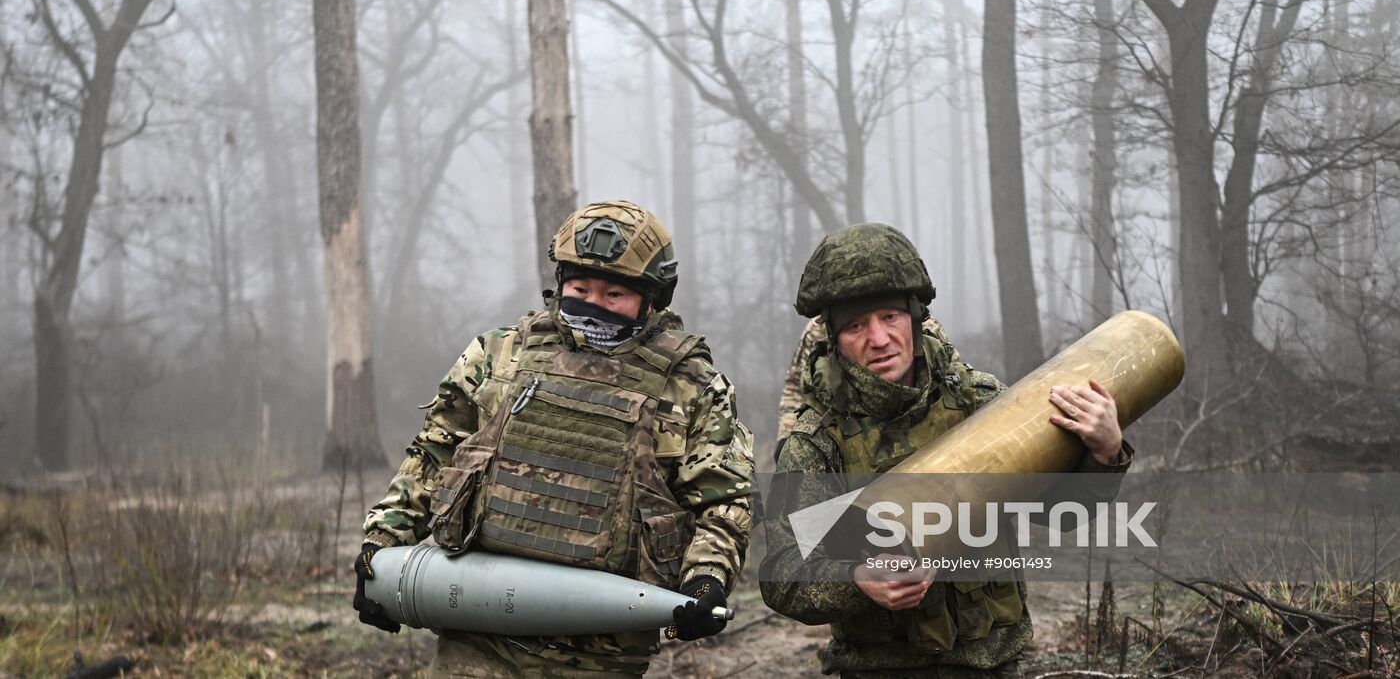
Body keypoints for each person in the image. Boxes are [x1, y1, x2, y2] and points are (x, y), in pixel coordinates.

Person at [357, 200, 755, 677]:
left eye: (614, 295)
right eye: (580, 287)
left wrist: (705, 580)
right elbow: (434, 453)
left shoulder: (692, 386)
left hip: (602, 644)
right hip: (476, 623)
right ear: (559, 282)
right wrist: (381, 546)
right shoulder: (499, 356)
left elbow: (723, 502)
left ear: (651, 300)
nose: (591, 305)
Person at [761, 223, 1131, 678]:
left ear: (915, 317)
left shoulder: (983, 403)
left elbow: (1060, 513)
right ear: (833, 338)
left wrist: (1105, 454)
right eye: (856, 325)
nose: (878, 339)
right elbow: (783, 576)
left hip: (995, 666)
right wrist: (858, 580)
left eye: (890, 317)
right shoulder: (817, 444)